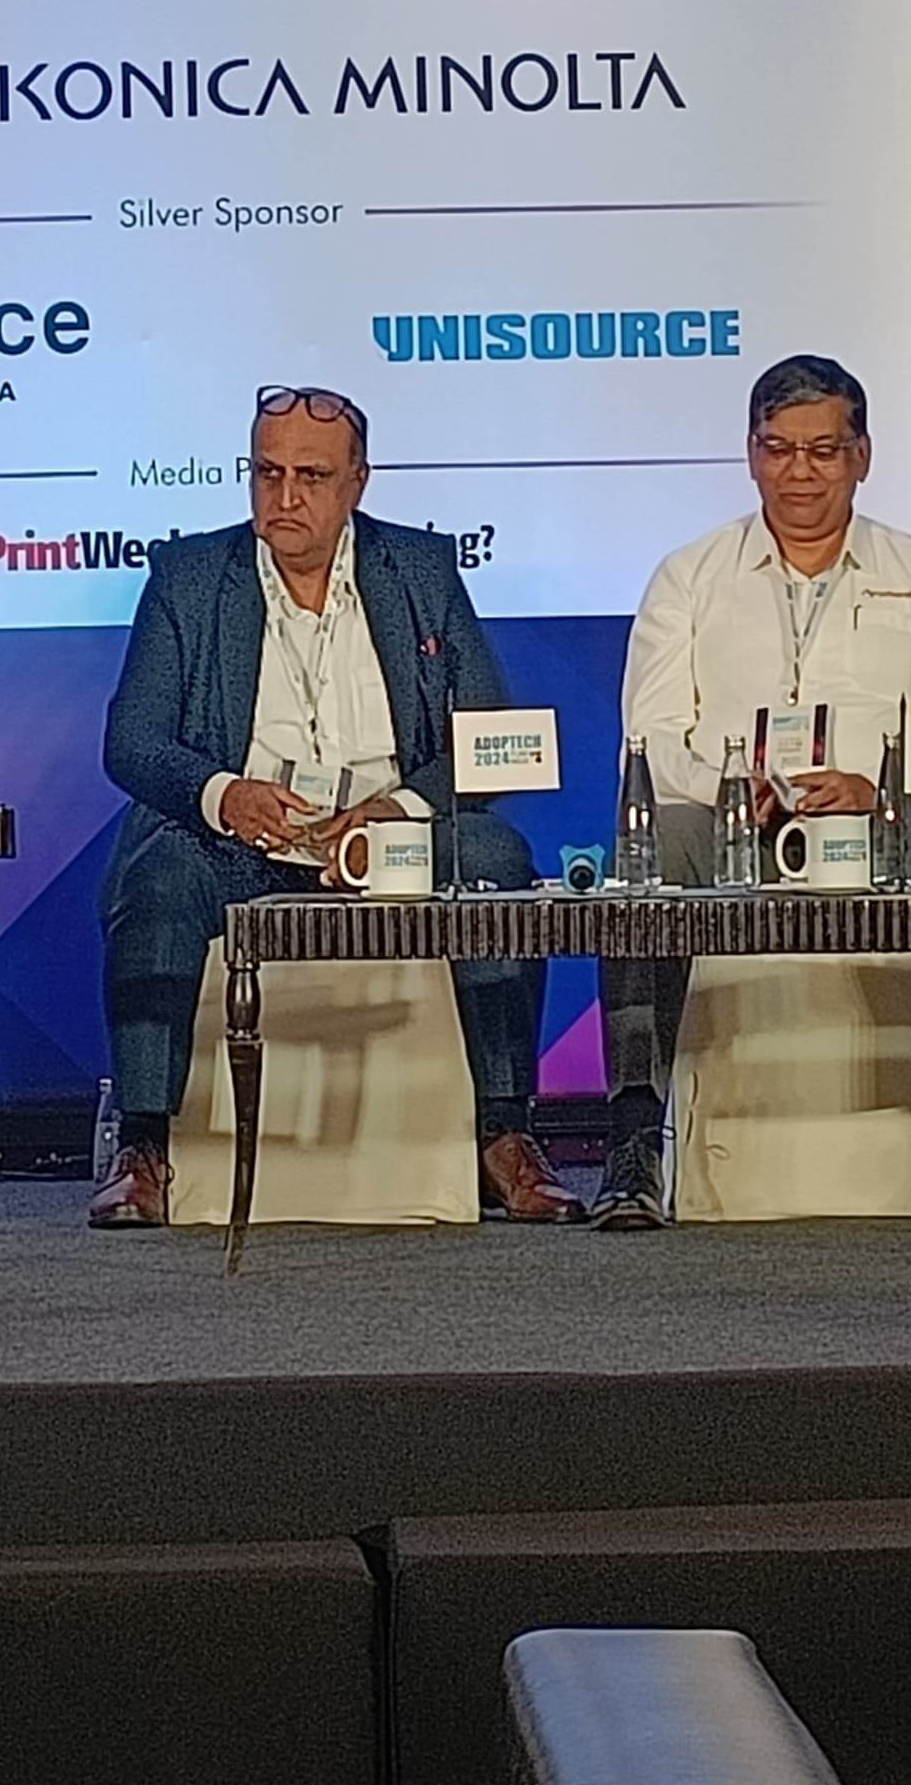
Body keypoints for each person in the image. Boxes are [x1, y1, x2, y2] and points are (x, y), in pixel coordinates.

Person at [93, 385, 564, 1228]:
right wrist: (225, 796)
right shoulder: (189, 578)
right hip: (242, 843)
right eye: (266, 473)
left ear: (357, 482)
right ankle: (144, 1150)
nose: (285, 497)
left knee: (496, 861)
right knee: (157, 873)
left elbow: (489, 732)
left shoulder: (420, 571)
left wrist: (400, 809)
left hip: (390, 846)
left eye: (310, 476)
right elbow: (131, 741)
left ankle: (503, 1135)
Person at [597, 353, 911, 1228]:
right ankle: (634, 1142)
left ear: (862, 456)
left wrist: (876, 787)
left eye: (823, 451)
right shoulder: (690, 574)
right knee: (656, 844)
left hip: (884, 823)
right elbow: (652, 734)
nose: (800, 473)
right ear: (752, 454)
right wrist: (733, 788)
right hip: (738, 825)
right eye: (779, 450)